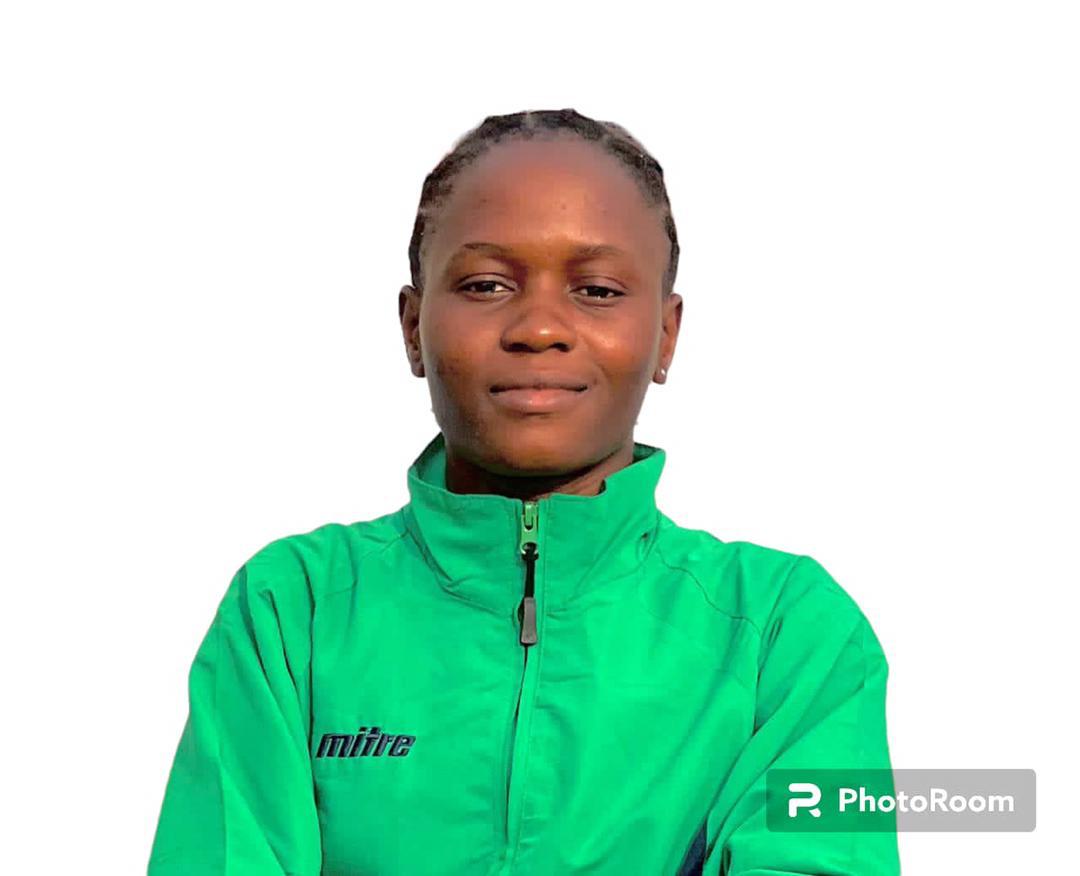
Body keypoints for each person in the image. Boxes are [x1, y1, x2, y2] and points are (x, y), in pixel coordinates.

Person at [148, 108, 900, 875]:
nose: (539, 328)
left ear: (666, 335)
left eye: (598, 290)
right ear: (412, 327)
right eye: (485, 284)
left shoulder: (790, 630)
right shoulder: (292, 609)